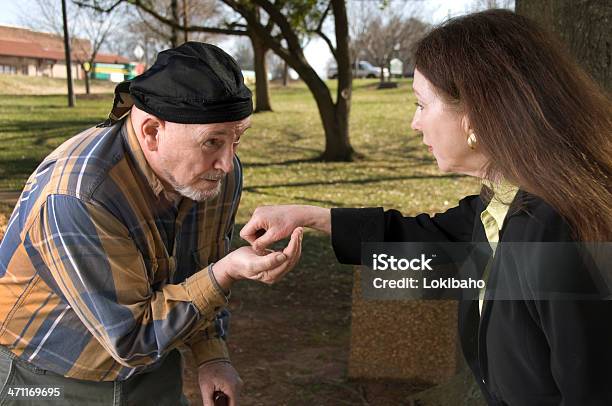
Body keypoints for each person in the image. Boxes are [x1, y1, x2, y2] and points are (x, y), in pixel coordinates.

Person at [240, 10, 612, 406]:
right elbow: (428, 243)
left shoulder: (554, 230)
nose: (415, 124)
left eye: (422, 104)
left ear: (473, 114)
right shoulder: (503, 204)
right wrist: (309, 216)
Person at [0, 42, 302, 406]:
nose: (227, 162)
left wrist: (212, 355)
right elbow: (133, 338)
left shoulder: (216, 174)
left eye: (237, 138)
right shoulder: (79, 195)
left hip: (152, 366)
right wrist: (226, 272)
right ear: (152, 132)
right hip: (44, 376)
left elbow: (196, 271)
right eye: (213, 142)